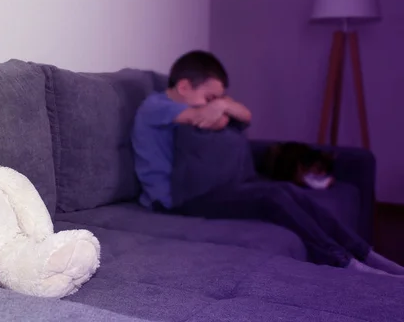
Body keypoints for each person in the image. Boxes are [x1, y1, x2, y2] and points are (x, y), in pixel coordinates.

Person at [131, 49, 404, 277]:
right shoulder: (154, 107)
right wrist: (223, 108)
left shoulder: (181, 104)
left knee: (289, 191)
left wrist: (221, 105)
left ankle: (363, 251)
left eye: (220, 97)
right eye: (211, 97)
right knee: (271, 196)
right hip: (171, 201)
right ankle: (342, 261)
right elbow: (219, 119)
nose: (216, 103)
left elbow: (244, 115)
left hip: (198, 189)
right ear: (183, 87)